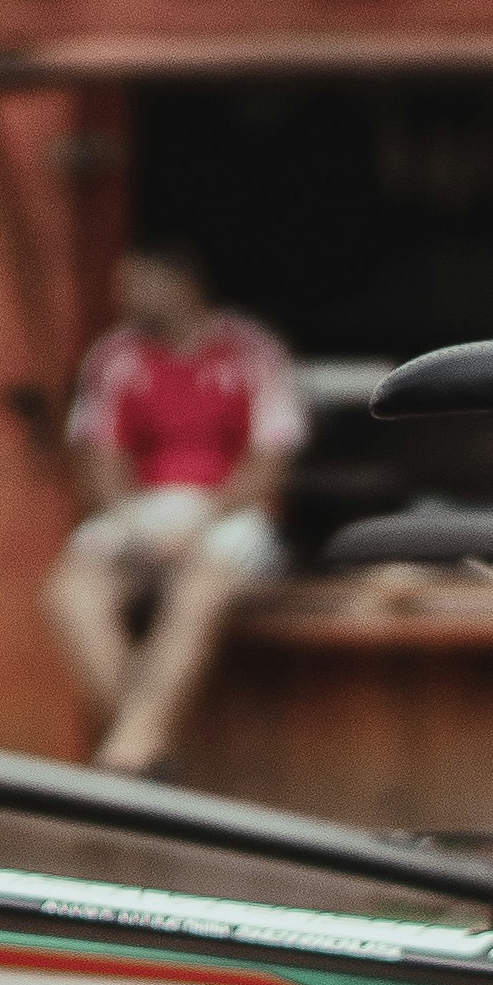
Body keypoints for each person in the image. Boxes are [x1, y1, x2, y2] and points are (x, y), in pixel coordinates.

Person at [44, 246, 305, 773]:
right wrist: (137, 522)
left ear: (184, 282)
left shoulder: (250, 349)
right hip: (143, 510)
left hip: (229, 514)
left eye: (141, 282)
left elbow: (268, 464)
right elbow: (101, 458)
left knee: (199, 587)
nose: (128, 296)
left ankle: (126, 755)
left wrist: (200, 522)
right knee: (71, 591)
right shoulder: (115, 355)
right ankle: (141, 742)